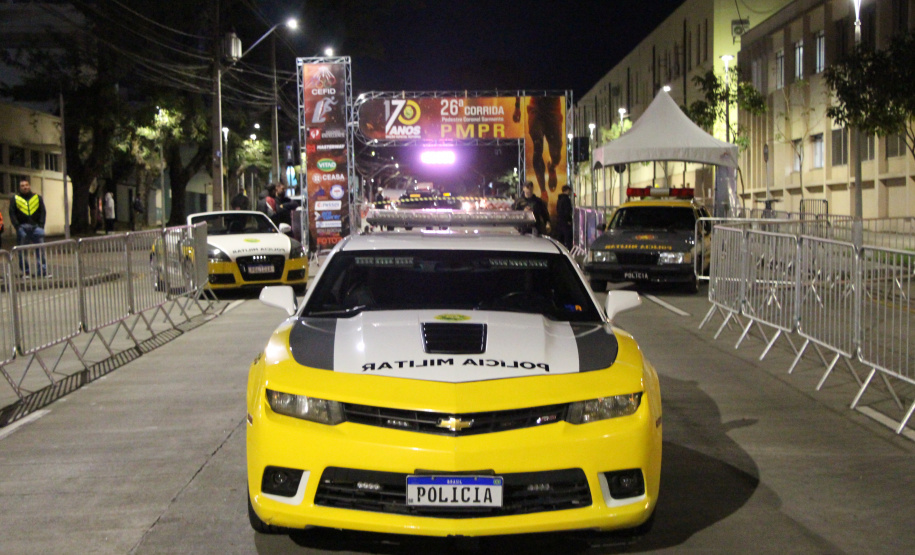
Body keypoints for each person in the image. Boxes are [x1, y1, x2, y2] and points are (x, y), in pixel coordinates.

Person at [9, 179, 49, 278]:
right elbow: (12, 213)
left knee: (40, 250)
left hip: (36, 227)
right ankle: (26, 272)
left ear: (29, 186)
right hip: (22, 228)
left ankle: (42, 272)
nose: (25, 187)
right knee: (22, 251)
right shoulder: (15, 198)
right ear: (19, 188)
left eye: (26, 185)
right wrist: (17, 226)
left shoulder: (37, 197)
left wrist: (41, 225)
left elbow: (43, 212)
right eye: (22, 185)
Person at [555, 185, 574, 249]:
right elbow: (567, 211)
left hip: (560, 221)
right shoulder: (566, 200)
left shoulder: (559, 199)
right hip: (565, 223)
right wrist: (568, 220)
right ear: (567, 190)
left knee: (560, 239)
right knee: (568, 238)